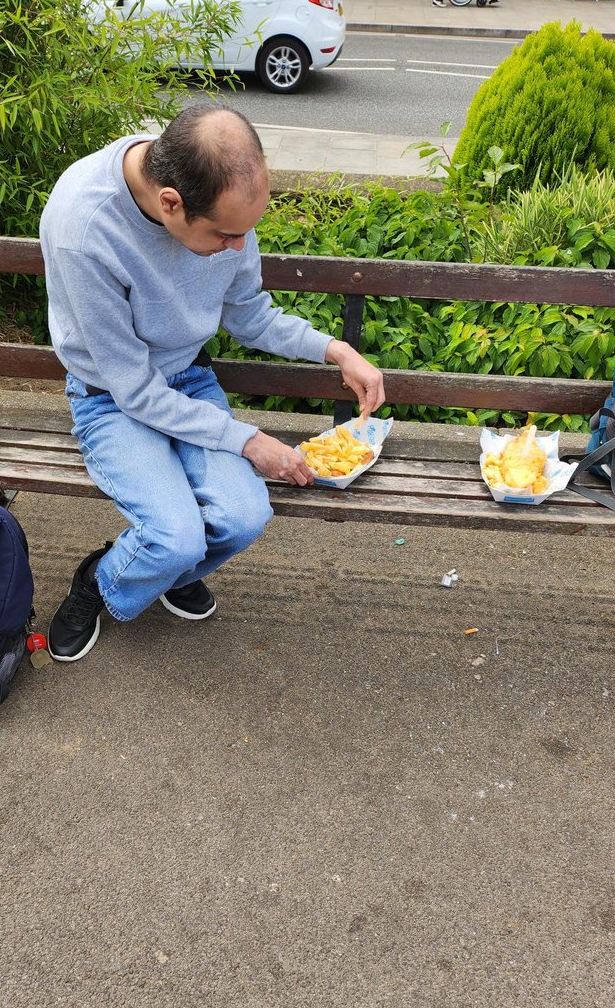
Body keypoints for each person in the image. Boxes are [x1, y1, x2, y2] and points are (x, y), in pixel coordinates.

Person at [39, 103, 385, 662]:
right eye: (227, 236)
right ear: (170, 203)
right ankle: (101, 581)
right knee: (175, 537)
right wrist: (247, 439)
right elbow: (135, 391)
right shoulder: (84, 228)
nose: (238, 249)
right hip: (112, 398)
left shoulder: (215, 195)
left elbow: (248, 312)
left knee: (244, 519)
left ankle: (162, 571)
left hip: (188, 381)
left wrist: (335, 349)